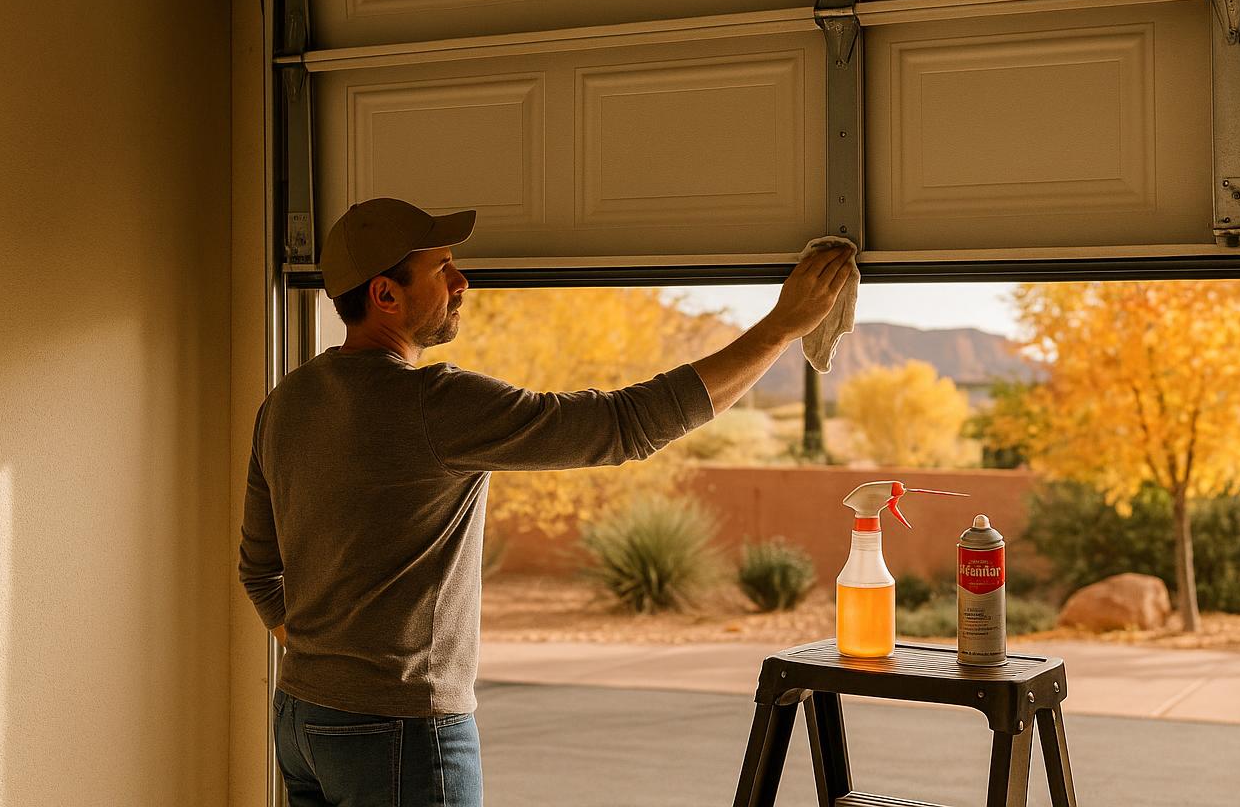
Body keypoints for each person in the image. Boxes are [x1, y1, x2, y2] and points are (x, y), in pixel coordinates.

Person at [240, 197, 855, 807]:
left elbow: (259, 573)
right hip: (398, 729)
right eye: (442, 268)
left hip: (301, 717)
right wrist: (780, 327)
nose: (461, 282)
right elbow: (623, 425)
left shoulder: (285, 403)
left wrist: (330, 666)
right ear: (385, 295)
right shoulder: (434, 404)